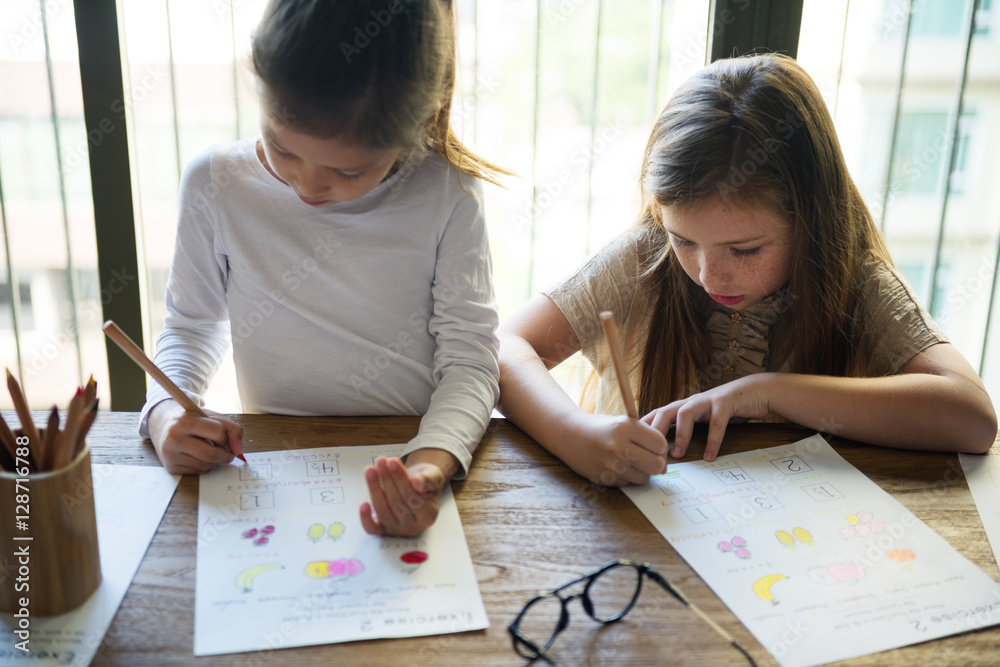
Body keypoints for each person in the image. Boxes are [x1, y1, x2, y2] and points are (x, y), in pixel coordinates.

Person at [497, 53, 997, 487]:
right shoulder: (643, 259)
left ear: (810, 220)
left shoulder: (854, 280)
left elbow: (971, 418)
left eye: (746, 250)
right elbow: (505, 347)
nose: (710, 276)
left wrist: (768, 390)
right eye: (684, 241)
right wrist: (575, 434)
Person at [140, 0, 507, 537]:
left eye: (349, 170)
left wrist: (431, 463)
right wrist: (165, 416)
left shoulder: (447, 193)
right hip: (277, 466)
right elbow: (192, 328)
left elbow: (471, 361)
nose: (309, 187)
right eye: (283, 150)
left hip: (410, 446)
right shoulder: (214, 183)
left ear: (413, 128)